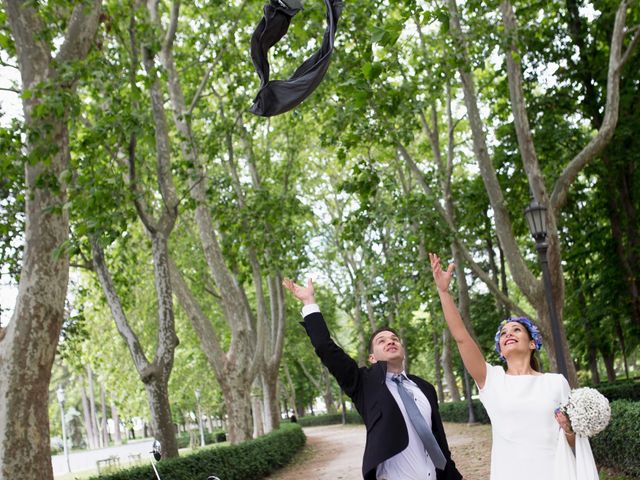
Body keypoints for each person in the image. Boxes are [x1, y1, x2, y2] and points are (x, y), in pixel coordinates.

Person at [283, 278, 463, 480]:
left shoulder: (425, 388)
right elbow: (326, 348)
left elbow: (438, 440)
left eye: (394, 339)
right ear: (372, 358)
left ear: (402, 350)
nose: (390, 342)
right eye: (382, 341)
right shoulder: (363, 383)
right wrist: (309, 302)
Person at [429, 252, 577, 480]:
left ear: (531, 343)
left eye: (516, 330)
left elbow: (573, 441)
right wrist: (443, 292)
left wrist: (568, 429)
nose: (509, 334)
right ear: (500, 348)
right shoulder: (492, 379)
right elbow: (461, 337)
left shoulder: (556, 382)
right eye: (504, 333)